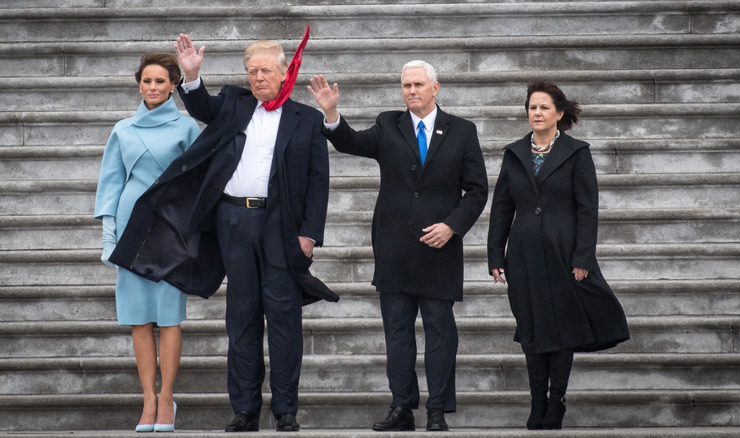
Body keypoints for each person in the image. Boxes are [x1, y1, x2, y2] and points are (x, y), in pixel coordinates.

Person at [109, 29, 336, 433]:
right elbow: (202, 107)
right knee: (242, 318)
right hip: (233, 221)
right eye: (252, 71)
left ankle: (285, 410)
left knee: (283, 319)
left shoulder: (307, 119)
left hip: (281, 227)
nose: (258, 77)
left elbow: (319, 182)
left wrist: (310, 234)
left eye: (265, 70)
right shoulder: (235, 102)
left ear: (285, 73)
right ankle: (245, 410)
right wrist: (192, 76)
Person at [308, 61, 489, 432]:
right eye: (406, 85)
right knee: (397, 332)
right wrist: (331, 113)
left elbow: (477, 190)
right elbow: (351, 142)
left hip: (439, 248)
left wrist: (452, 226)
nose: (411, 91)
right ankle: (402, 407)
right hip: (394, 247)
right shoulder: (388, 124)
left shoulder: (462, 131)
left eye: (418, 84)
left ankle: (436, 408)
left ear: (435, 88)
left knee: (440, 330)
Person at [487, 79, 630, 430]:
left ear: (559, 113)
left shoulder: (576, 152)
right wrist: (495, 255)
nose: (537, 113)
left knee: (562, 327)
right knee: (532, 326)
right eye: (532, 107)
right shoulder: (514, 153)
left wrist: (583, 257)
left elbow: (588, 208)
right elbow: (502, 208)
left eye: (544, 107)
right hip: (522, 254)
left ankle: (557, 401)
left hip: (564, 253)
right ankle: (537, 403)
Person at [94, 52, 201, 433]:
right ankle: (148, 399)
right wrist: (109, 234)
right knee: (138, 318)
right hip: (132, 228)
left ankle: (168, 398)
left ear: (173, 84)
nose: (152, 87)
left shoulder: (188, 128)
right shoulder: (123, 129)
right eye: (146, 81)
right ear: (138, 84)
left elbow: (199, 181)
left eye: (160, 81)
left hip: (172, 228)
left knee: (169, 318)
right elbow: (111, 182)